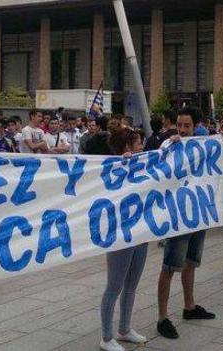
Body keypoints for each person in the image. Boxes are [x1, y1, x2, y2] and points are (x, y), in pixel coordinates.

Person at [156, 107, 215, 339]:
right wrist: (168, 146)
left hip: (198, 213)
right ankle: (162, 317)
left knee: (191, 262)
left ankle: (189, 306)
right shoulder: (168, 146)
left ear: (196, 126)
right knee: (170, 267)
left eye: (186, 126)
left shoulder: (204, 146)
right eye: (178, 125)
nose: (181, 129)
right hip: (178, 216)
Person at [98, 126, 150, 351]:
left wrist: (174, 141)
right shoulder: (111, 168)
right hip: (120, 233)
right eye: (138, 143)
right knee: (114, 286)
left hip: (141, 230)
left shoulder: (145, 164)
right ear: (127, 147)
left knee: (132, 284)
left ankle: (124, 328)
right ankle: (107, 337)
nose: (142, 147)